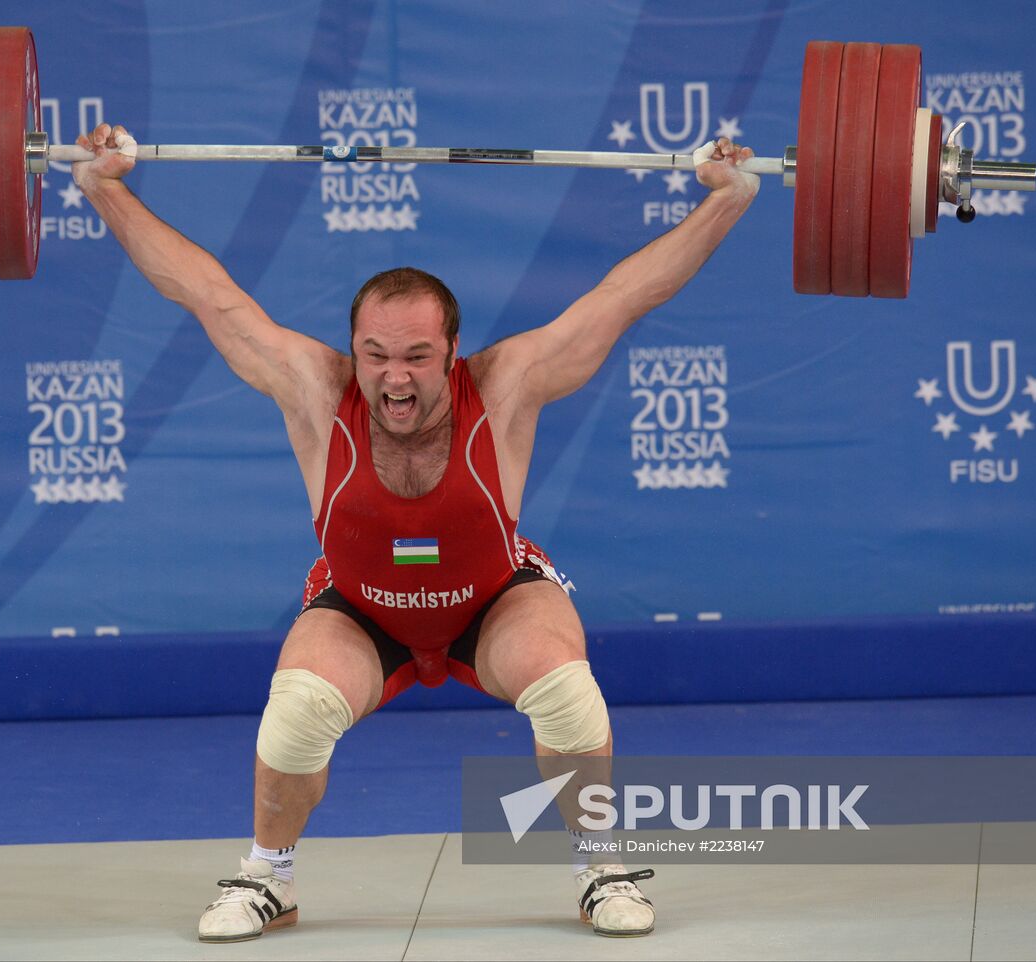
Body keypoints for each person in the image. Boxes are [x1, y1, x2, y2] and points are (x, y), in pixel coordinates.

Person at [71, 122, 759, 942]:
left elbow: (624, 296)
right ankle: (268, 878)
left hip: (493, 601)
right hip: (362, 609)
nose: (394, 377)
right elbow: (206, 293)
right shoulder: (314, 389)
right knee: (295, 712)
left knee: (567, 693)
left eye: (417, 356)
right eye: (376, 355)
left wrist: (728, 200)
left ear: (452, 351)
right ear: (353, 349)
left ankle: (600, 867)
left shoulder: (505, 386)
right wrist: (104, 189)